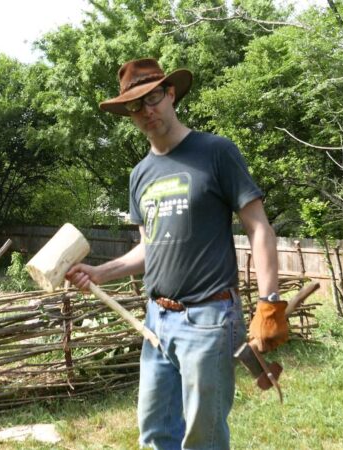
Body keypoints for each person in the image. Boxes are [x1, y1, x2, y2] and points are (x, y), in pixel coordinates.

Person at [65, 58, 288, 450]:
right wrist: (100, 273)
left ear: (170, 94)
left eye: (152, 98)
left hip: (209, 318)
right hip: (156, 321)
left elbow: (259, 227)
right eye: (135, 105)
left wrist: (270, 303)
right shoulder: (140, 175)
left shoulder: (216, 152)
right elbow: (149, 248)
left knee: (203, 437)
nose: (146, 111)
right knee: (155, 431)